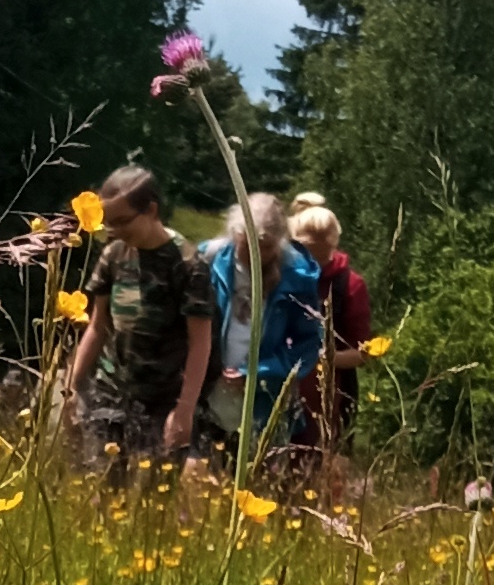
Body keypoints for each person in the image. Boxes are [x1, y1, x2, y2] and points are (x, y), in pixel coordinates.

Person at [65, 163, 210, 468]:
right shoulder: (114, 254)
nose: (113, 232)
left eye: (121, 221)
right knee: (101, 488)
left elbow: (200, 343)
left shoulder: (188, 264)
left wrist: (183, 411)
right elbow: (98, 325)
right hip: (111, 392)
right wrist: (72, 386)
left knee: (148, 499)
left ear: (151, 210)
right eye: (108, 223)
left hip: (161, 401)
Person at [201, 192, 325, 464]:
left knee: (257, 487)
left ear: (280, 241)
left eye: (266, 248)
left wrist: (257, 372)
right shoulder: (208, 261)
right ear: (235, 235)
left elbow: (308, 345)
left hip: (265, 404)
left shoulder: (297, 276)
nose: (257, 256)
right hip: (207, 397)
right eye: (248, 246)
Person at [285, 192, 372, 456]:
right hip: (281, 387)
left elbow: (364, 352)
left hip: (332, 395)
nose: (310, 265)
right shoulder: (282, 274)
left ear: (332, 243)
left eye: (317, 255)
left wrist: (324, 359)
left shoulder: (350, 285)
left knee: (325, 466)